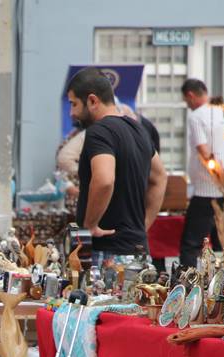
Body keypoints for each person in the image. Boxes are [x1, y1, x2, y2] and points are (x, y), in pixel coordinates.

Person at [66, 67, 167, 270]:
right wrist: (142, 225)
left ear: (93, 101)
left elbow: (104, 180)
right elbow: (160, 177)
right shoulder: (138, 129)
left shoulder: (99, 132)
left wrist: (90, 225)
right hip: (137, 253)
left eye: (74, 104)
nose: (72, 113)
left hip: (108, 256)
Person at [179, 78, 224, 268]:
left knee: (191, 243)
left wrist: (213, 170)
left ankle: (188, 280)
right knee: (222, 242)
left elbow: (203, 149)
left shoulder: (196, 116)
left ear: (190, 95)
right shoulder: (222, 113)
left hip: (205, 189)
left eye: (186, 100)